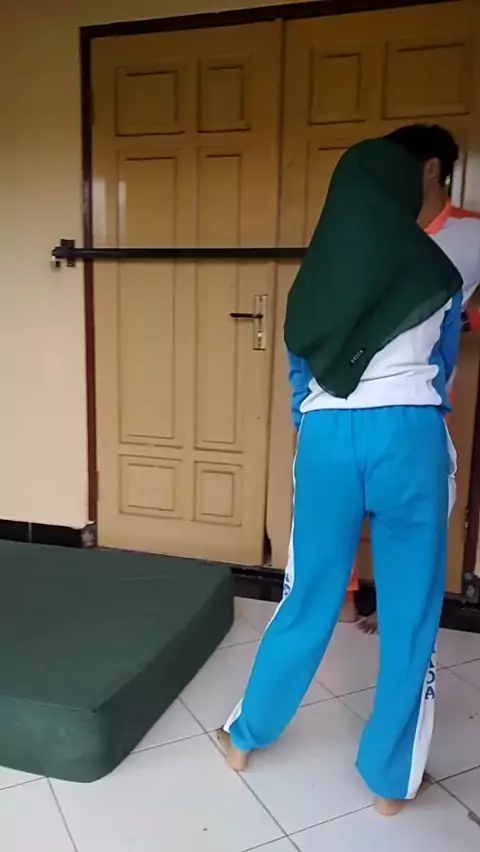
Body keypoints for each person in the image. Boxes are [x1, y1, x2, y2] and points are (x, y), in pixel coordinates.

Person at [218, 133, 464, 817]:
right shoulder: (440, 273)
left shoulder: (313, 279)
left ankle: (245, 736)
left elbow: (300, 382)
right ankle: (390, 783)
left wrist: (321, 430)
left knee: (309, 593)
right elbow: (441, 371)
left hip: (327, 437)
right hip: (411, 436)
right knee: (412, 609)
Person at [346, 124, 480, 634]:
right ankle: (343, 601)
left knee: (409, 514)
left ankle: (396, 609)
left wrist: (462, 321)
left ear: (429, 169)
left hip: (421, 401)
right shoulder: (372, 229)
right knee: (335, 503)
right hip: (346, 394)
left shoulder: (471, 235)